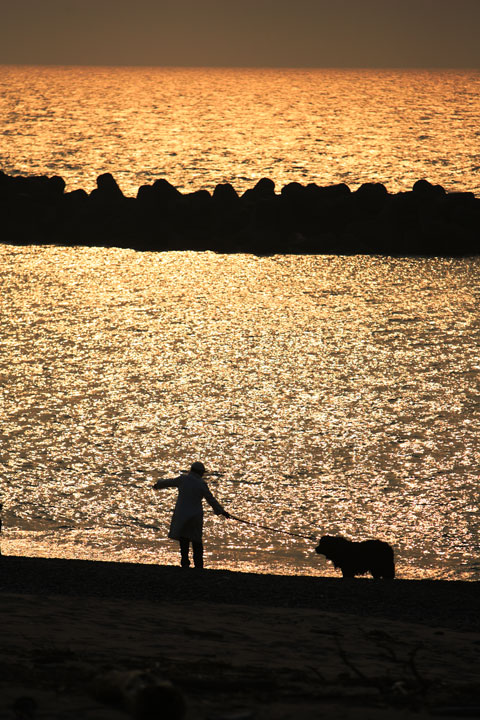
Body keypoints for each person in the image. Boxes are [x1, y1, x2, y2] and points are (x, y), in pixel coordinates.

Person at [153, 461, 230, 569]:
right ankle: (198, 565)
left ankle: (185, 562)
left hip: (183, 513)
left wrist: (158, 485)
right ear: (200, 472)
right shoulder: (201, 483)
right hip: (196, 515)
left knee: (184, 539)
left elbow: (168, 482)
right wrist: (222, 511)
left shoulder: (183, 479)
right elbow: (211, 499)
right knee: (196, 540)